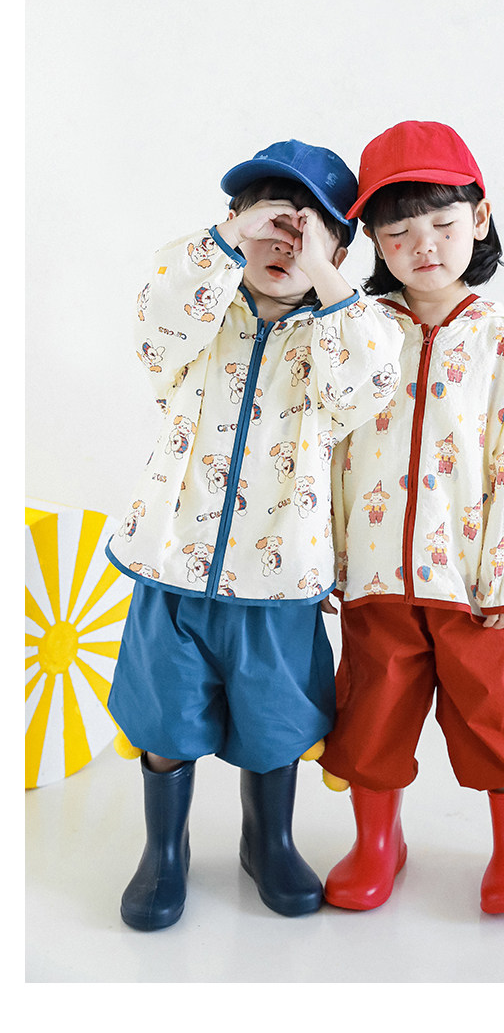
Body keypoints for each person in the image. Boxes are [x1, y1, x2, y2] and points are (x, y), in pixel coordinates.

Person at [105, 138, 404, 929]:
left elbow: (370, 381)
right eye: (269, 222)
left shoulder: (340, 333)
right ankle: (164, 850)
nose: (285, 243)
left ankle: (267, 841)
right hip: (173, 567)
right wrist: (228, 241)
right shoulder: (202, 318)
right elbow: (156, 315)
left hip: (279, 581)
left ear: (340, 250)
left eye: (308, 230)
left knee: (275, 725)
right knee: (165, 719)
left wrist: (326, 276)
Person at [318, 120, 504, 914]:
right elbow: (326, 445)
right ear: (373, 240)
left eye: (442, 222)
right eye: (398, 231)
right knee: (371, 716)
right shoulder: (358, 331)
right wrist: (325, 558)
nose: (422, 245)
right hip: (376, 575)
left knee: (498, 710)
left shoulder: (499, 339)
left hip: (473, 581)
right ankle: (377, 842)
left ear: (480, 217)